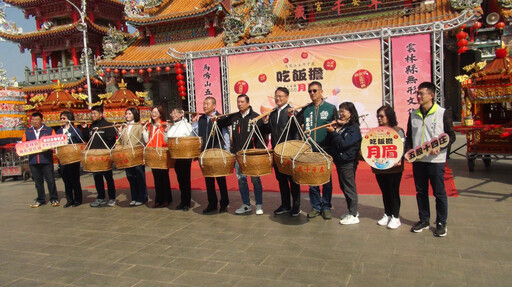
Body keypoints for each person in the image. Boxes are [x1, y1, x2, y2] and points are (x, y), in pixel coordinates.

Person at [404, 82, 455, 237]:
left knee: (439, 192)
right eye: (417, 94)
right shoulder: (413, 114)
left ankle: (441, 223)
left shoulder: (442, 113)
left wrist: (441, 147)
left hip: (436, 160)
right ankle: (424, 219)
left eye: (421, 94)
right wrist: (407, 152)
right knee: (421, 192)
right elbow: (409, 138)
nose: (418, 96)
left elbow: (451, 136)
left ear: (431, 95)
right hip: (419, 161)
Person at [294, 81, 339, 220]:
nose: (312, 93)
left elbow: (337, 126)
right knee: (311, 178)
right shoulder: (306, 109)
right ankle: (315, 206)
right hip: (310, 149)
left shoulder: (330, 108)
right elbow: (296, 122)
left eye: (314, 90)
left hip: (326, 149)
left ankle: (326, 206)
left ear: (321, 91)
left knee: (326, 179)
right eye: (310, 91)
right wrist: (292, 114)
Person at [216, 94, 264, 215]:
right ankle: (246, 204)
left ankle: (258, 204)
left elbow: (260, 137)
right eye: (238, 102)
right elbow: (220, 123)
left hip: (251, 155)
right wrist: (214, 118)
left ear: (248, 103)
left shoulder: (255, 117)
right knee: (241, 180)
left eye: (242, 102)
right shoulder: (234, 117)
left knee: (255, 180)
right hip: (238, 154)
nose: (240, 104)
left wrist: (258, 152)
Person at [260, 87, 301, 217]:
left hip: (289, 151)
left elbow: (297, 129)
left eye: (281, 96)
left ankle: (296, 206)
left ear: (287, 97)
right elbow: (268, 131)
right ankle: (285, 204)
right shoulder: (273, 113)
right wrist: (265, 122)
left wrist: (292, 117)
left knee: (293, 179)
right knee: (281, 179)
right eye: (276, 96)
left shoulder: (292, 112)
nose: (278, 98)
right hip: (277, 152)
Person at [192, 96, 230, 214]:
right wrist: (194, 123)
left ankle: (224, 203)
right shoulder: (202, 119)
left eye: (207, 104)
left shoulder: (220, 118)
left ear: (214, 106)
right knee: (208, 180)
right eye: (204, 104)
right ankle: (212, 203)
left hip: (217, 152)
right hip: (205, 153)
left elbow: (226, 135)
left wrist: (226, 152)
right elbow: (195, 135)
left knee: (220, 179)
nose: (205, 106)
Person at [326, 102, 362, 225]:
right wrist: (335, 130)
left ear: (350, 113)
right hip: (340, 161)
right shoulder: (344, 126)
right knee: (344, 187)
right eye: (340, 110)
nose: (340, 113)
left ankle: (353, 214)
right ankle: (351, 210)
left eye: (343, 111)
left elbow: (343, 144)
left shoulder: (354, 128)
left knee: (349, 187)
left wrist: (333, 132)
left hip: (348, 162)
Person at [372, 105, 404, 229]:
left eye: (382, 116)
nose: (379, 119)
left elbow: (402, 147)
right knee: (384, 191)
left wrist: (399, 159)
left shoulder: (398, 130)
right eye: (378, 116)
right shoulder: (376, 132)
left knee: (393, 191)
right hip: (380, 167)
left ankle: (395, 217)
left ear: (389, 116)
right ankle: (387, 214)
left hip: (394, 168)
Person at [23, 112, 59, 208]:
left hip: (46, 159)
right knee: (38, 182)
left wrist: (53, 147)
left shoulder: (49, 130)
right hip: (33, 160)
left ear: (41, 120)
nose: (35, 122)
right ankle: (40, 199)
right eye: (33, 120)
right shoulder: (28, 132)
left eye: (37, 120)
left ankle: (54, 198)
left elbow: (55, 142)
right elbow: (23, 144)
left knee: (50, 180)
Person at [83, 106, 117, 207]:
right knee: (97, 177)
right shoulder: (92, 126)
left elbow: (111, 140)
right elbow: (87, 139)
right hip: (94, 156)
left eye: (95, 114)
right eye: (92, 114)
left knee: (108, 177)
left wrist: (107, 152)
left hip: (104, 156)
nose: (92, 116)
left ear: (101, 114)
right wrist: (85, 128)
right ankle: (100, 197)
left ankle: (112, 197)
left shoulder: (107, 125)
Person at [143, 105, 172, 208]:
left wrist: (165, 131)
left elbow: (167, 140)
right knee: (156, 177)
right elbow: (147, 141)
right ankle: (158, 199)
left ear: (160, 113)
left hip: (162, 153)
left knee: (164, 177)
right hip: (153, 154)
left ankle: (166, 198)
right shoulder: (151, 126)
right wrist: (144, 131)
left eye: (156, 112)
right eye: (152, 112)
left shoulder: (164, 124)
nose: (153, 114)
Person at [118, 107, 147, 207]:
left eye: (130, 114)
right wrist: (120, 132)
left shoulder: (138, 125)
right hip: (127, 154)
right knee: (130, 176)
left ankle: (142, 197)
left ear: (134, 115)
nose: (127, 116)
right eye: (126, 114)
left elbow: (143, 140)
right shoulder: (124, 126)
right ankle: (134, 197)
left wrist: (143, 156)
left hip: (137, 153)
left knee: (139, 176)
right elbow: (122, 141)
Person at [167, 108, 193, 211]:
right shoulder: (172, 127)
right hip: (175, 156)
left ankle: (187, 202)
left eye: (175, 113)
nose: (173, 115)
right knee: (180, 180)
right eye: (172, 113)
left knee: (186, 179)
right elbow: (168, 140)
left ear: (181, 114)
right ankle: (183, 201)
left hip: (185, 156)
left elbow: (191, 138)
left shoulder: (187, 125)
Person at [57, 110, 84, 207]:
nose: (62, 120)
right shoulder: (59, 131)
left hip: (73, 158)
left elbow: (80, 141)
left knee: (75, 179)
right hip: (63, 159)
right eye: (61, 118)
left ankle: (78, 199)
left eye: (64, 118)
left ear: (69, 119)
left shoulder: (75, 130)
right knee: (66, 180)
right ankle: (69, 199)